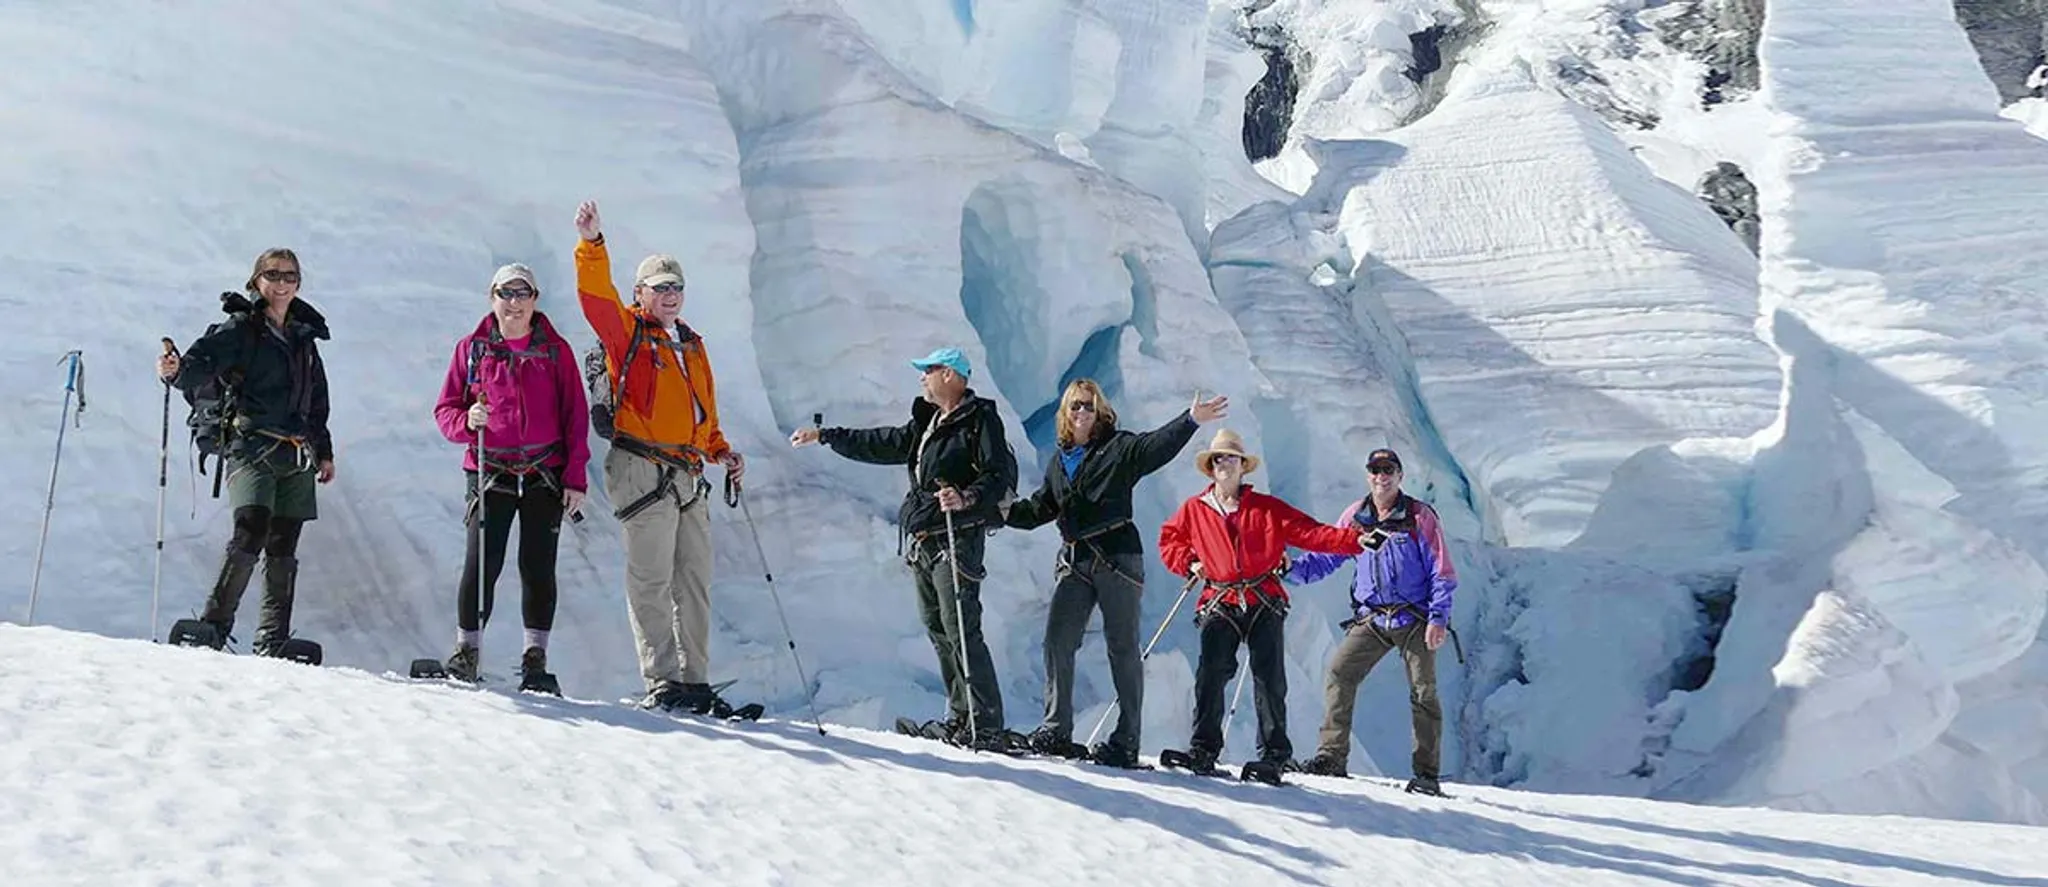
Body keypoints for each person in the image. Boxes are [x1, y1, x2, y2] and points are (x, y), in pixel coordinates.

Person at [790, 347, 1018, 750]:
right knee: (939, 628)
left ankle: (985, 724)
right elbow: (884, 443)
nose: (921, 377)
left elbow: (997, 474)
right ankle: (960, 717)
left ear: (950, 374)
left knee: (961, 628)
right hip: (926, 539)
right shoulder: (929, 423)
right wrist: (827, 436)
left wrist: (965, 497)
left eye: (928, 370)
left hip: (957, 538)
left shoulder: (980, 419)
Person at [573, 200, 745, 714]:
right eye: (660, 286)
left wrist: (720, 450)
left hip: (688, 471)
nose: (670, 294)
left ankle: (694, 681)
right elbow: (595, 300)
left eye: (677, 287)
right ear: (640, 293)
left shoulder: (691, 344)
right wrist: (591, 244)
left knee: (693, 580)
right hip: (642, 467)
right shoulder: (626, 332)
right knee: (651, 578)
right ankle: (663, 680)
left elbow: (702, 411)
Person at [1003, 381, 1227, 767]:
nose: (1082, 412)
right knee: (1058, 639)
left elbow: (1154, 447)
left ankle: (1126, 740)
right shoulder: (1059, 462)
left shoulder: (1119, 447)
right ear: (1065, 412)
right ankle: (1056, 730)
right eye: (1075, 406)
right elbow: (1041, 508)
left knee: (1121, 647)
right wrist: (1003, 510)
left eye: (1088, 406)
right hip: (1076, 560)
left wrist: (1190, 420)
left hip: (1118, 558)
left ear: (1100, 411)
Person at [1156, 428, 1369, 778]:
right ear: (1211, 468)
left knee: (1269, 678)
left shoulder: (1266, 508)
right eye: (1219, 458)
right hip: (1220, 598)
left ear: (1243, 467)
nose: (1225, 463)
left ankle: (1274, 755)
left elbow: (1310, 532)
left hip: (1263, 598)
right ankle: (1203, 750)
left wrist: (1356, 540)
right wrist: (1189, 562)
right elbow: (1170, 541)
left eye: (1232, 458)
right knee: (1211, 673)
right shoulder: (1194, 510)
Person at [156, 248, 334, 655]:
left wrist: (324, 451)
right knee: (251, 530)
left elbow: (316, 400)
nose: (281, 283)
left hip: (296, 454)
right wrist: (177, 371)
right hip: (251, 445)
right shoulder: (241, 328)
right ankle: (214, 626)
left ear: (298, 283)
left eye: (289, 276)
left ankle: (272, 638)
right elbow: (202, 361)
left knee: (284, 544)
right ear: (256, 280)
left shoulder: (305, 336)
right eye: (273, 274)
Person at [430, 263, 591, 686]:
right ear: (493, 297)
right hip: (490, 467)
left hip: (544, 471)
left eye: (522, 294)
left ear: (535, 299)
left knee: (538, 565)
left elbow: (575, 415)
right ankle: (467, 652)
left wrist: (575, 477)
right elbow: (445, 409)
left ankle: (534, 658)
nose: (514, 303)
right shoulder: (472, 350)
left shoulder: (555, 351)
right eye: (506, 293)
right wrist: (467, 421)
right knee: (482, 561)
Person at [1286, 447, 1455, 796]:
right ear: (1368, 475)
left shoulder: (1419, 517)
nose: (1382, 476)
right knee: (1339, 673)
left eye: (1388, 469)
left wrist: (1438, 617)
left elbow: (1441, 570)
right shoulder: (1355, 517)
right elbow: (1328, 555)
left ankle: (1426, 774)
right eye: (1376, 470)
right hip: (1373, 618)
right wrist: (1291, 571)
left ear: (1400, 475)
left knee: (1423, 690)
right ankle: (1331, 757)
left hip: (1414, 617)